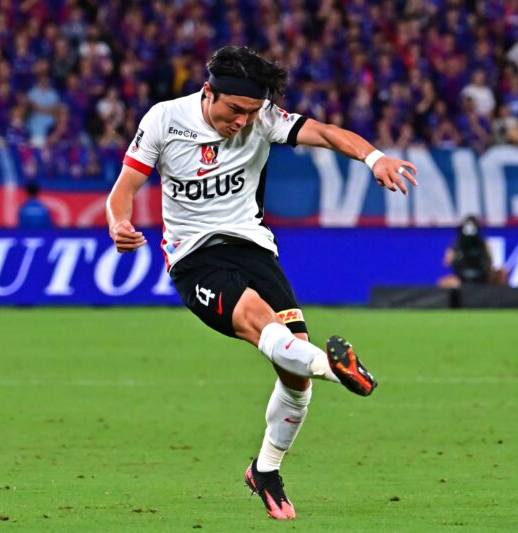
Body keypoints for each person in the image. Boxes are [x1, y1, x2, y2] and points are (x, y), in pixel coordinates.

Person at [105, 46, 418, 521]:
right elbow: (124, 190)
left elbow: (325, 133)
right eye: (235, 110)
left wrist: (373, 157)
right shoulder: (164, 120)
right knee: (261, 323)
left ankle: (265, 469)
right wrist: (118, 224)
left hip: (254, 249)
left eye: (251, 113)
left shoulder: (263, 118)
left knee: (295, 374)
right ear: (208, 92)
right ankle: (339, 370)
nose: (242, 122)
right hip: (195, 258)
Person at [438, 215, 508, 288]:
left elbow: (490, 263)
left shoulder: (483, 244)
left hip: (482, 277)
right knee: (444, 283)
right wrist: (457, 255)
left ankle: (497, 295)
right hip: (462, 279)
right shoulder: (457, 245)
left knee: (502, 273)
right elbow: (446, 262)